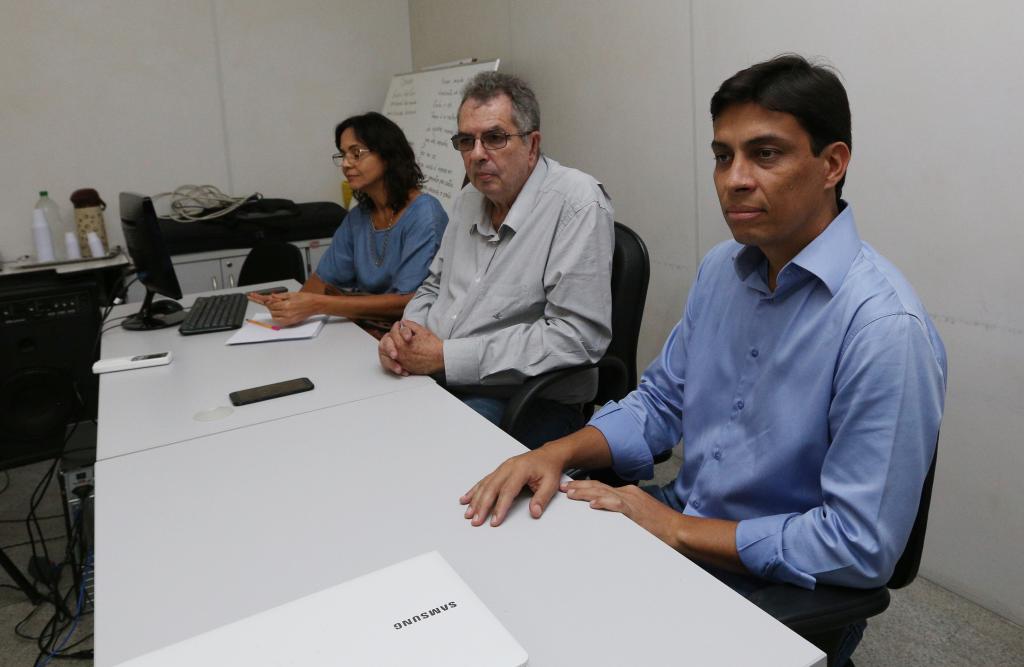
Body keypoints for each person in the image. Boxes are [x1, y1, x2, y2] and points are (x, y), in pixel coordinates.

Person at [459, 55, 947, 665]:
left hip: (775, 584)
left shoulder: (884, 329)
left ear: (832, 165)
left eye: (765, 154)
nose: (734, 179)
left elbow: (858, 545)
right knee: (514, 580)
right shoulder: (723, 270)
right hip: (684, 518)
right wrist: (553, 453)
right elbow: (660, 403)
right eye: (722, 156)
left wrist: (676, 529)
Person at [377, 72, 615, 448]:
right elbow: (434, 285)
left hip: (524, 397)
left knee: (426, 452)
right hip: (440, 376)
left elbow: (576, 336)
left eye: (494, 138)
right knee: (368, 428)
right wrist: (406, 336)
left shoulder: (577, 202)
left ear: (532, 145)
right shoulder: (467, 199)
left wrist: (447, 357)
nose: (476, 154)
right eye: (466, 141)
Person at [249, 112, 447, 332]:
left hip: (409, 335)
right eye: (343, 154)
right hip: (365, 330)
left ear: (388, 155)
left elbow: (409, 301)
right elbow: (321, 282)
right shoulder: (358, 217)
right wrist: (288, 303)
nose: (345, 163)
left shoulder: (424, 214)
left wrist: (317, 305)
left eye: (356, 153)